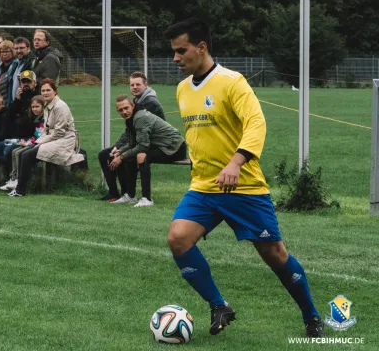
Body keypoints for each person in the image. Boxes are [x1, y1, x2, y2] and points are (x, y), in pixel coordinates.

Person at [164, 18, 323, 338]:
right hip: (204, 187)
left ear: (202, 47)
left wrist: (236, 163)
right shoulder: (182, 89)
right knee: (178, 237)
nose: (175, 59)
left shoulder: (232, 82)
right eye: (174, 52)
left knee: (275, 255)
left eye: (182, 51)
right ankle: (218, 304)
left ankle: (312, 316)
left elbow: (256, 124)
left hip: (244, 187)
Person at [99, 71, 167, 202]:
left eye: (138, 84)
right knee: (106, 154)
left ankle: (127, 194)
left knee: (120, 156)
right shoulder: (136, 100)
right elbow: (129, 131)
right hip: (139, 140)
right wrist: (118, 146)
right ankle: (116, 193)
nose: (134, 87)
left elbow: (140, 133)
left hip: (153, 142)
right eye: (132, 85)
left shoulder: (149, 102)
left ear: (145, 85)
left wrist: (120, 150)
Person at [106, 95, 185, 207]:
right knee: (132, 156)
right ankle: (130, 196)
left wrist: (121, 157)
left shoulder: (140, 118)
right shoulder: (131, 118)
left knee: (141, 155)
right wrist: (120, 151)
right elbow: (133, 142)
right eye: (120, 110)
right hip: (161, 146)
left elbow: (143, 145)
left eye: (126, 108)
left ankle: (147, 199)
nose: (124, 112)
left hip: (175, 148)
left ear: (133, 106)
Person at [9, 79, 83, 197]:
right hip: (53, 139)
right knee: (23, 153)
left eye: (48, 90)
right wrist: (36, 142)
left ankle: (20, 190)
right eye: (43, 90)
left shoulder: (60, 106)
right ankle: (17, 184)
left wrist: (38, 142)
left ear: (55, 91)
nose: (45, 93)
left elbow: (59, 132)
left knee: (28, 155)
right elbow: (47, 130)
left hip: (64, 141)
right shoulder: (48, 105)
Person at [0, 70, 40, 179]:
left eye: (28, 82)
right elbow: (9, 116)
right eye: (23, 82)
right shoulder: (19, 97)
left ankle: (17, 176)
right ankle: (15, 171)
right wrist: (17, 100)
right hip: (14, 136)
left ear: (35, 83)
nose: (25, 84)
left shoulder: (37, 98)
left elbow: (31, 120)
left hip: (29, 137)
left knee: (8, 151)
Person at [0, 95, 46, 191]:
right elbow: (36, 134)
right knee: (14, 151)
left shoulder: (44, 119)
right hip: (35, 142)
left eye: (37, 106)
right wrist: (29, 141)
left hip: (42, 144)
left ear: (43, 106)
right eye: (33, 107)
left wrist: (28, 143)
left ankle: (19, 180)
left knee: (18, 152)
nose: (34, 109)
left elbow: (42, 136)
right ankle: (13, 179)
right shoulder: (37, 118)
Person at [9, 37, 35, 105]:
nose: (18, 50)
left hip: (27, 103)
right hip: (15, 102)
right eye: (16, 48)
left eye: (21, 48)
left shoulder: (33, 62)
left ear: (28, 48)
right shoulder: (15, 63)